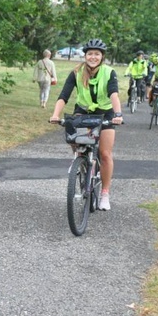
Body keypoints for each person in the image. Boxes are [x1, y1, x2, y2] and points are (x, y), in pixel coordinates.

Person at [49, 38, 123, 211]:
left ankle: (105, 193)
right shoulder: (76, 72)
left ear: (102, 56)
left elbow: (114, 95)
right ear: (85, 56)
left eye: (97, 54)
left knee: (105, 154)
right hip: (83, 111)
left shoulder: (109, 72)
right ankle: (80, 160)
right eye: (90, 54)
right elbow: (63, 95)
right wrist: (55, 114)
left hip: (105, 113)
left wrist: (118, 114)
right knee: (74, 138)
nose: (93, 57)